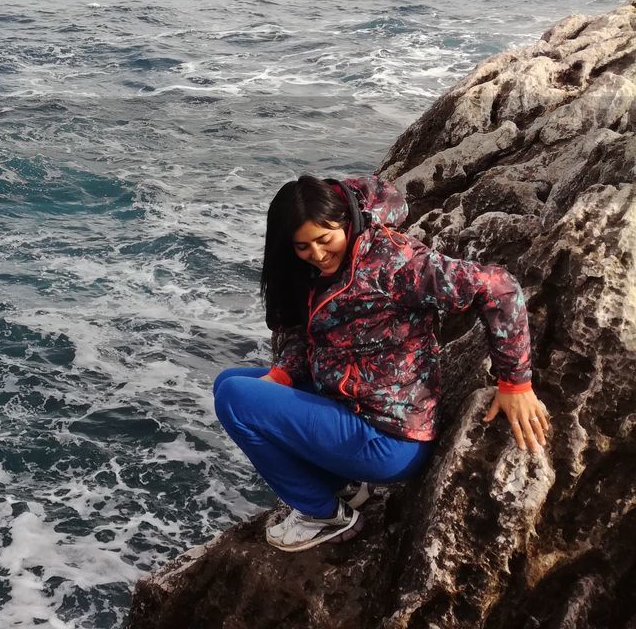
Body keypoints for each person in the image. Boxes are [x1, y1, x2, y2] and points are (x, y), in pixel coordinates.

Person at [211, 173, 550, 552]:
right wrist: (282, 374)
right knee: (228, 383)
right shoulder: (315, 269)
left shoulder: (393, 263)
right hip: (349, 404)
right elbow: (301, 332)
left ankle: (322, 514)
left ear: (346, 220)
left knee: (235, 400)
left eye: (325, 240)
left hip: (390, 438)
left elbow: (497, 287)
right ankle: (346, 486)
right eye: (303, 247)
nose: (318, 255)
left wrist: (515, 384)